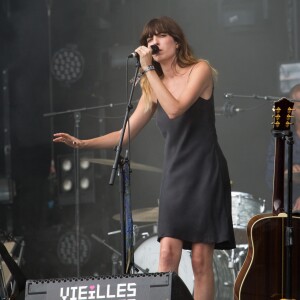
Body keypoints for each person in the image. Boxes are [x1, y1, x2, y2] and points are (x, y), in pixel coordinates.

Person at [53, 16, 236, 300]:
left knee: (200, 260)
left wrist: (149, 68)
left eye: (161, 36)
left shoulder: (199, 70)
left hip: (205, 171)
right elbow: (126, 134)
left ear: (176, 42)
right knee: (166, 255)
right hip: (175, 174)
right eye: (149, 39)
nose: (153, 42)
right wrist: (82, 143)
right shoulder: (152, 86)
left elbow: (175, 110)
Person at [266, 83, 300, 212]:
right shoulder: (281, 135)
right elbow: (270, 179)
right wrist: (286, 173)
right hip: (285, 207)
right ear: (292, 109)